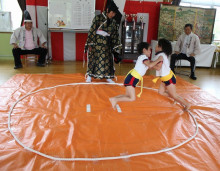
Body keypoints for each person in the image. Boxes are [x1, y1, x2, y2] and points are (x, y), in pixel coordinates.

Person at [109, 42, 162, 109]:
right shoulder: (143, 57)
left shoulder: (144, 58)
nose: (150, 52)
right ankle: (115, 100)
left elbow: (151, 66)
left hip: (132, 78)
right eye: (149, 50)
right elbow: (150, 65)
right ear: (144, 50)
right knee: (132, 98)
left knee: (128, 96)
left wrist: (158, 64)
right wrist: (159, 59)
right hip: (132, 79)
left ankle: (113, 99)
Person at [84, 1, 122, 83]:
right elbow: (92, 30)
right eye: (112, 13)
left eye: (114, 14)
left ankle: (108, 77)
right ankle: (89, 76)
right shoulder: (98, 18)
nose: (113, 15)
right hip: (97, 42)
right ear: (107, 10)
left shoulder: (113, 22)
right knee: (93, 59)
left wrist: (115, 48)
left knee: (108, 60)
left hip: (107, 43)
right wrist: (90, 43)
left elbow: (115, 34)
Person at [152, 38, 191, 111]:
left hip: (169, 78)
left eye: (157, 45)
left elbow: (158, 67)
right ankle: (175, 97)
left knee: (173, 95)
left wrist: (149, 65)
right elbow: (157, 66)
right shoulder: (161, 54)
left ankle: (186, 104)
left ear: (161, 47)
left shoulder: (161, 56)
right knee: (161, 92)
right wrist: (150, 64)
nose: (155, 46)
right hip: (165, 78)